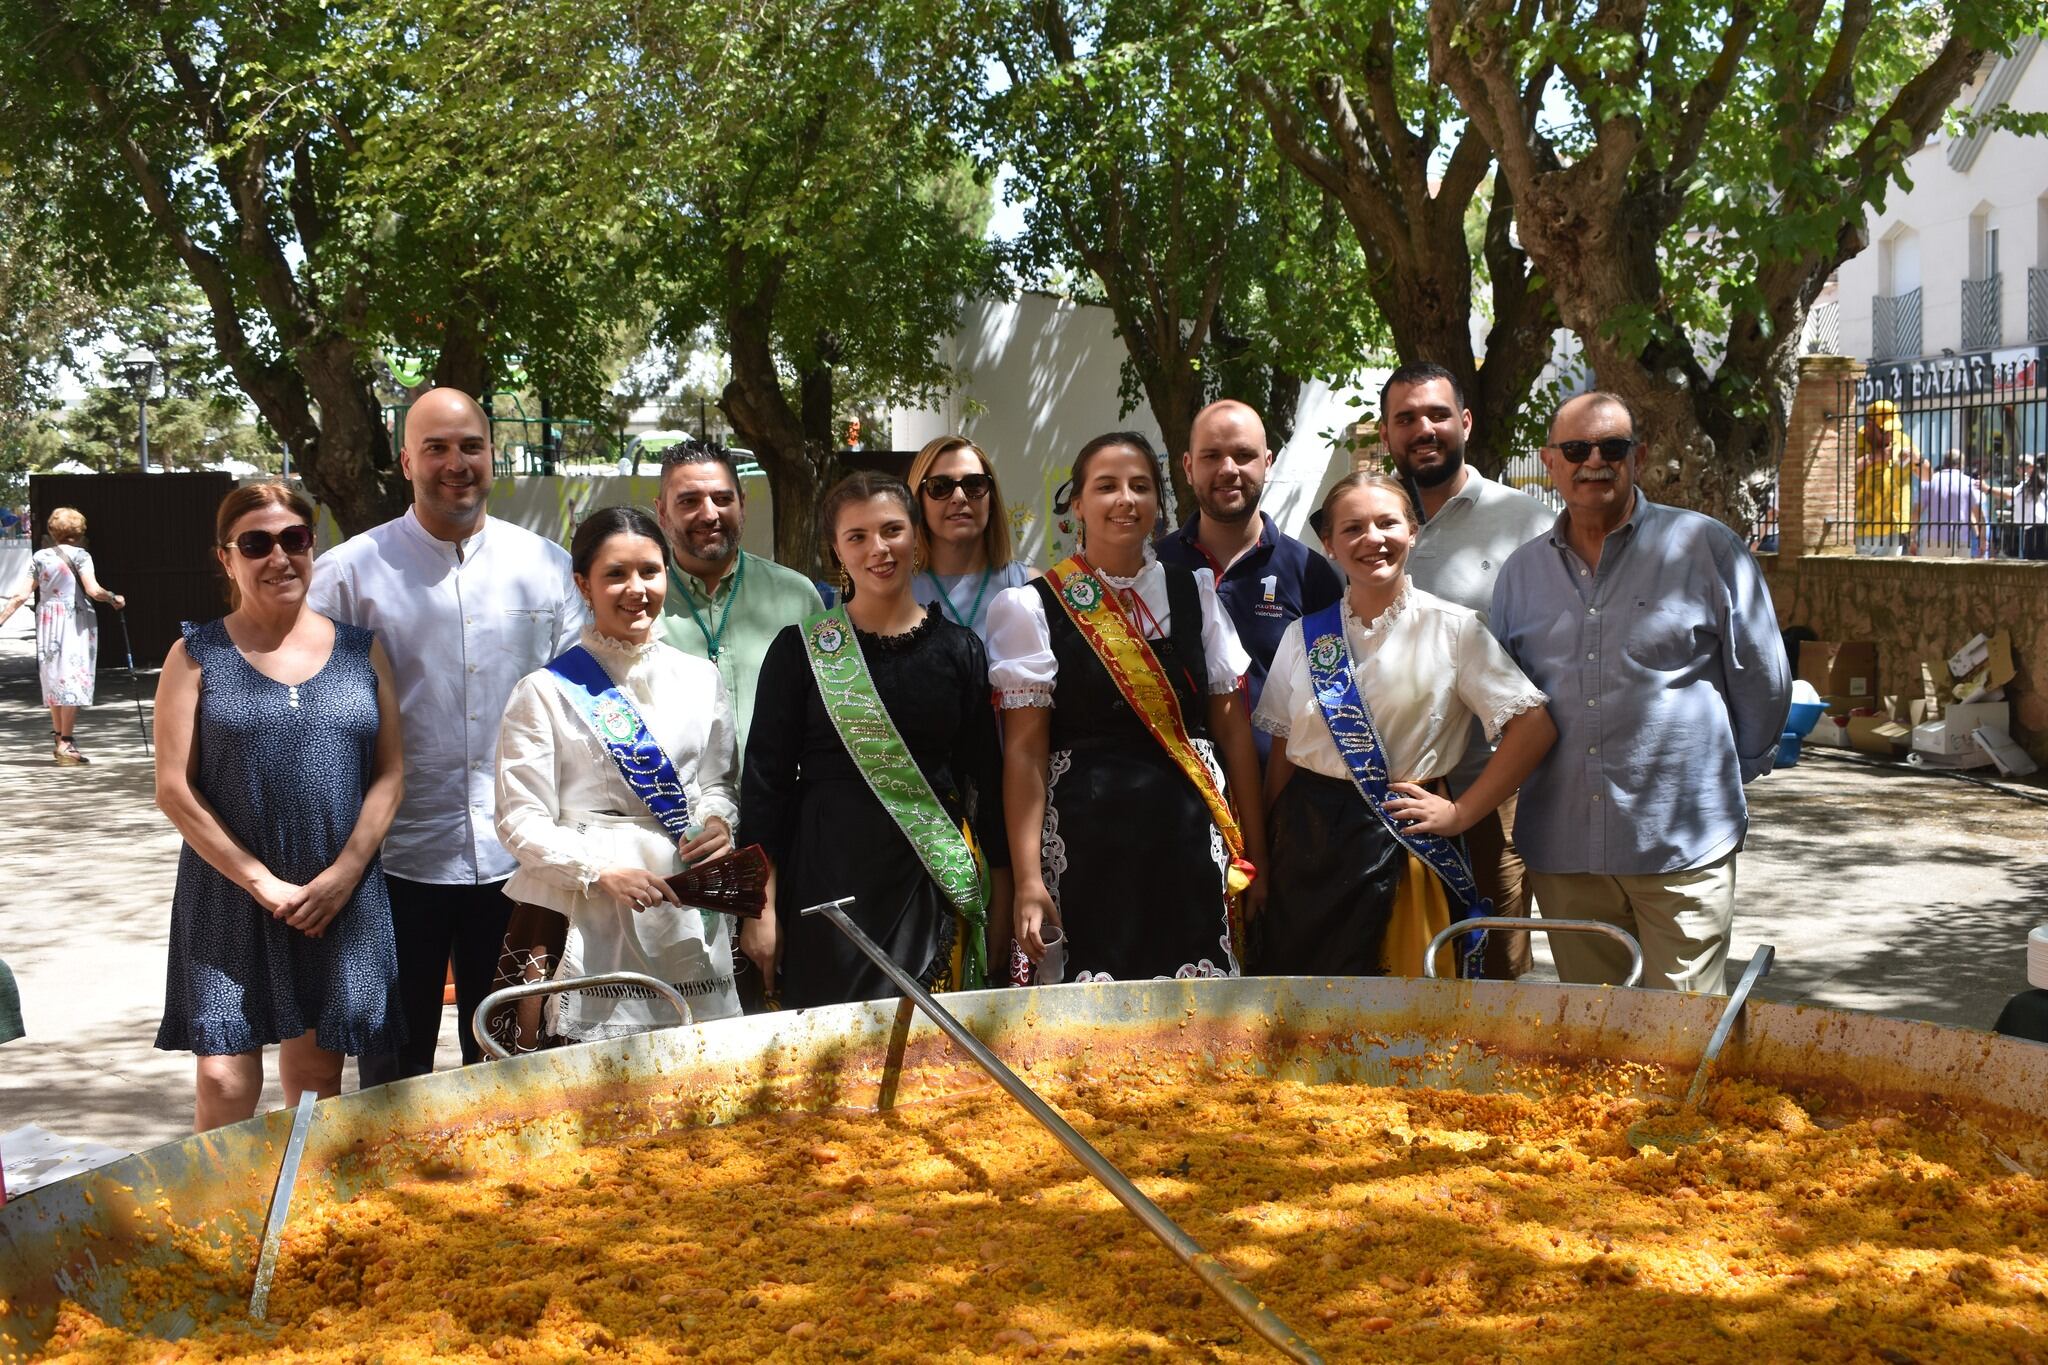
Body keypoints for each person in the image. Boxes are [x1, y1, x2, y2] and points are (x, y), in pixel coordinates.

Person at [307, 386, 584, 1085]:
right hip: (393, 860)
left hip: (519, 859)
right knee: (391, 1074)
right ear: (406, 459)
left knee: (511, 1060)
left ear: (494, 456)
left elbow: (585, 702)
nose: (455, 462)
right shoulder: (348, 575)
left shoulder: (547, 568)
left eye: (470, 446)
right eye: (436, 447)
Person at [1491, 392, 1791, 995]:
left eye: (1612, 447)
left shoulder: (1706, 548)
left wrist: (1738, 766)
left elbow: (1763, 677)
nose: (1593, 461)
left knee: (1681, 1032)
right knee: (1598, 1034)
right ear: (1551, 462)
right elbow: (1504, 703)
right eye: (1576, 449)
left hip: (1681, 842)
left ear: (1640, 457)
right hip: (1565, 847)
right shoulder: (1520, 574)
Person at [153, 482, 405, 1130]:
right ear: (226, 557)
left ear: (311, 546)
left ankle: (303, 1223)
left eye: (293, 539)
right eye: (256, 543)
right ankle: (222, 1223)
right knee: (224, 1076)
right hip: (228, 895)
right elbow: (174, 790)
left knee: (318, 1078)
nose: (279, 557)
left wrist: (345, 872)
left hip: (334, 896)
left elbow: (390, 773)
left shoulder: (359, 650)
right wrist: (261, 881)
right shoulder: (194, 655)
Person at [990, 432, 1267, 983]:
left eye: (1140, 486)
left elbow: (1234, 737)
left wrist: (1256, 857)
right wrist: (1028, 879)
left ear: (1158, 506)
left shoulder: (1197, 593)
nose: (1125, 500)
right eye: (1106, 486)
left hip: (1189, 837)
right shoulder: (1033, 606)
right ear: (1077, 505)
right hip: (1083, 839)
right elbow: (1024, 753)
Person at [1253, 474, 1555, 978]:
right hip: (1305, 849)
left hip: (1403, 843)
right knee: (1306, 1016)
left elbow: (1535, 726)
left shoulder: (1454, 628)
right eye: (1352, 528)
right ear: (1328, 544)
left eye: (1387, 523)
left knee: (1400, 1018)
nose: (1372, 539)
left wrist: (1461, 813)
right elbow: (1284, 753)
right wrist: (1265, 851)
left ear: (1412, 532)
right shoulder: (1303, 636)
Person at [739, 472, 1011, 1009]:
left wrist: (1001, 896)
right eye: (857, 536)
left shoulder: (960, 650)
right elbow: (764, 786)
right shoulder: (799, 651)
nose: (878, 549)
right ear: (836, 550)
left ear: (916, 536)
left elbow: (987, 780)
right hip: (826, 877)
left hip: (928, 876)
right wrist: (760, 907)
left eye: (891, 530)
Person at [489, 507, 742, 1050]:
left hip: (684, 899)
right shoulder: (544, 691)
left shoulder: (701, 678)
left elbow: (718, 781)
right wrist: (600, 870)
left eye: (650, 571)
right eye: (615, 575)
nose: (637, 589)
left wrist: (719, 819)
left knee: (700, 1074)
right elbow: (518, 820)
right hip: (579, 906)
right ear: (583, 584)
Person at [1380, 361, 1555, 979]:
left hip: (1489, 793)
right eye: (1405, 419)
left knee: (1495, 967)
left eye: (1436, 414)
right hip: (1383, 793)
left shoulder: (1529, 525)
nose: (1422, 429)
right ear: (1385, 435)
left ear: (1466, 422)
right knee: (1399, 966)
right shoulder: (1368, 521)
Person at [1155, 400, 1343, 762]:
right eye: (1211, 456)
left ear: (1267, 463)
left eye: (1243, 455)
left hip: (1283, 791)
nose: (1228, 469)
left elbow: (1330, 696)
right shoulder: (1155, 568)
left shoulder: (1310, 574)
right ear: (1188, 467)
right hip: (1178, 795)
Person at [653, 442, 825, 763]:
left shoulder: (798, 598)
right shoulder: (641, 608)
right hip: (678, 806)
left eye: (722, 499)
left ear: (742, 504)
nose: (709, 514)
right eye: (689, 501)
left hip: (785, 805)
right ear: (662, 512)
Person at [0, 508, 126, 765]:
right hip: (75, 620)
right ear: (79, 532)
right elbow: (93, 590)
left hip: (48, 621)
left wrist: (1, 619)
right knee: (74, 677)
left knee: (54, 678)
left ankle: (60, 739)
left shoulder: (40, 557)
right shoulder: (82, 555)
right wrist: (114, 597)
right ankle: (67, 741)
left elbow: (21, 596)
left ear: (52, 531)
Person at [908, 435, 1032, 643]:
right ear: (918, 502)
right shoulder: (897, 591)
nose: (959, 497)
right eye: (940, 486)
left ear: (991, 499)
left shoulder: (1029, 585)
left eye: (974, 484)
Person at [1853, 400, 1919, 555]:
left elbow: (1927, 477)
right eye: (1884, 431)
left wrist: (1919, 459)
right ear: (1869, 425)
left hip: (1893, 526)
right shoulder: (1855, 441)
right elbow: (1842, 473)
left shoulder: (1902, 439)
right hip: (1863, 526)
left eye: (1893, 429)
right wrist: (1875, 457)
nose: (1889, 435)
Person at [1917, 452, 1986, 559]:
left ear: (1944, 463)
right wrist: (1982, 539)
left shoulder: (1930, 481)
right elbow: (1979, 515)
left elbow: (1917, 511)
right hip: (1960, 539)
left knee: (1932, 574)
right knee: (1959, 575)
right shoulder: (1970, 483)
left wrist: (1912, 537)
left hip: (1933, 538)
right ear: (1960, 465)